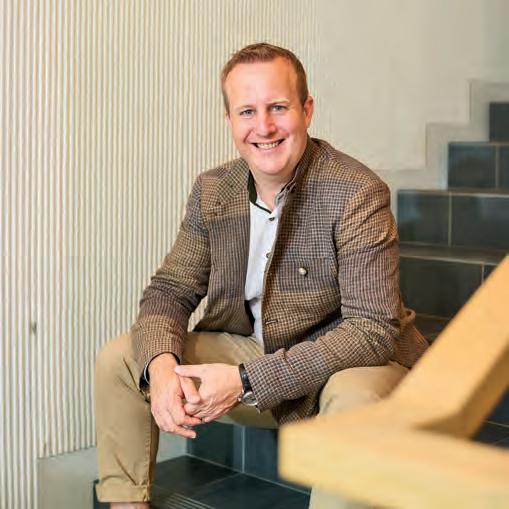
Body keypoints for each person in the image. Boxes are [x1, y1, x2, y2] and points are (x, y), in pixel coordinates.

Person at [95, 42, 428, 509]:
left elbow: (370, 331)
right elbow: (170, 290)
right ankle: (127, 503)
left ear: (307, 110)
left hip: (346, 363)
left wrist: (248, 379)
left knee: (355, 402)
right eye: (247, 111)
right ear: (230, 120)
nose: (264, 127)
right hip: (253, 348)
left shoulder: (356, 191)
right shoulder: (213, 190)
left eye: (278, 107)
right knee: (123, 358)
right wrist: (163, 366)